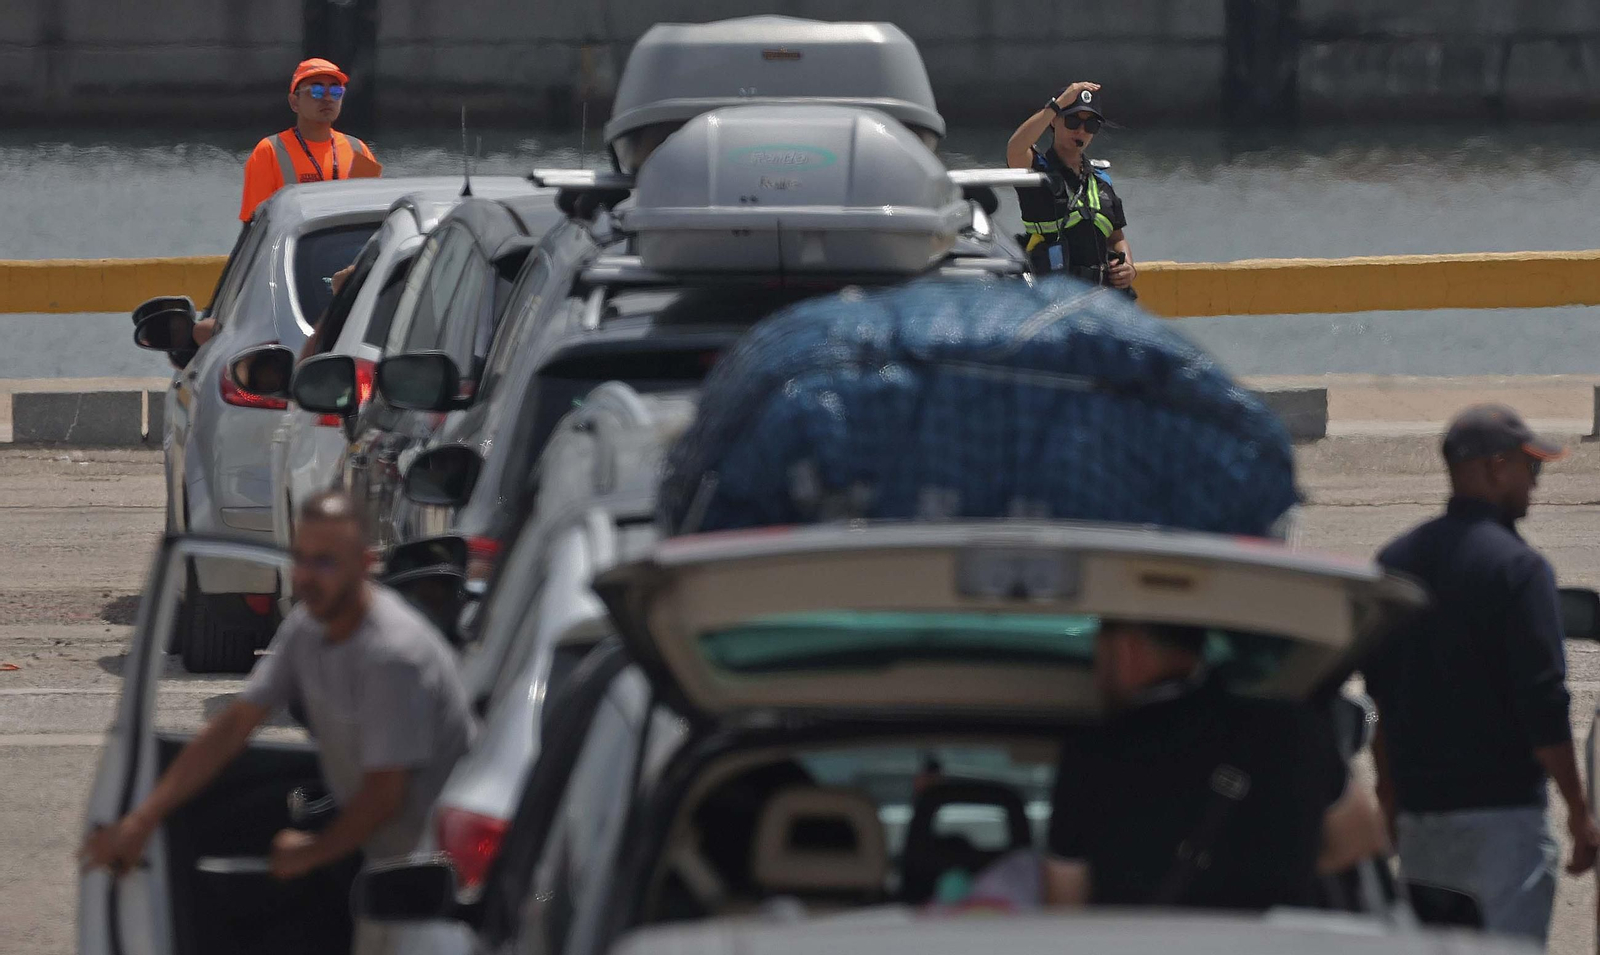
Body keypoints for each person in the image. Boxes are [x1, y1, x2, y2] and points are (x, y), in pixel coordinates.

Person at [81, 491, 474, 941]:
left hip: (437, 878)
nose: (308, 575)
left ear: (364, 563)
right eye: (301, 559)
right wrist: (143, 818)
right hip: (382, 865)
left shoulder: (392, 655)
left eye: (326, 561)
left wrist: (313, 850)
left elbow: (385, 795)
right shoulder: (308, 627)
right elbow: (235, 726)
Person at [1364, 404, 1598, 943]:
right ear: (1496, 468)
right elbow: (1543, 703)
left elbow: (1383, 704)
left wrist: (1390, 798)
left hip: (1422, 823)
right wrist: (1578, 812)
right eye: (1530, 467)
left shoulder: (1394, 563)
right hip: (1502, 822)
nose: (1535, 484)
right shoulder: (1519, 570)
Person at [1043, 620, 1388, 910]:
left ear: (1125, 649)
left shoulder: (1092, 755)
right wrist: (1279, 878)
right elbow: (1362, 837)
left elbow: (1065, 899)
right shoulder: (1292, 728)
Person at [1006, 81, 1134, 291]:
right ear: (1054, 121)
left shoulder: (1101, 180)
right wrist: (1057, 105)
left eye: (1090, 125)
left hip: (1101, 296)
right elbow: (1015, 148)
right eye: (1072, 121)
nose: (1081, 131)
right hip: (1052, 297)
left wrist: (1128, 266)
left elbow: (1117, 238)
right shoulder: (1035, 173)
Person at [239, 58, 379, 223]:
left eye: (335, 91)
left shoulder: (359, 150)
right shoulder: (269, 151)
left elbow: (373, 217)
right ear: (294, 102)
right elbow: (253, 224)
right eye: (317, 91)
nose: (327, 98)